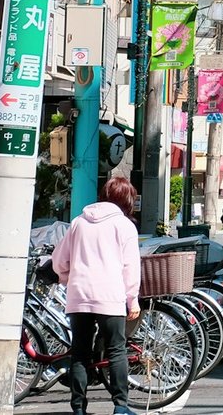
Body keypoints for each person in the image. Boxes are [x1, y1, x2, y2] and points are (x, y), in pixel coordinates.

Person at [51, 176, 139, 415]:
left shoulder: (79, 221)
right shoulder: (124, 226)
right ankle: (121, 407)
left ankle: (78, 408)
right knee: (116, 351)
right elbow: (130, 267)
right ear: (127, 200)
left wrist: (67, 276)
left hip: (79, 294)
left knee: (80, 353)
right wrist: (132, 298)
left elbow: (59, 260)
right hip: (110, 296)